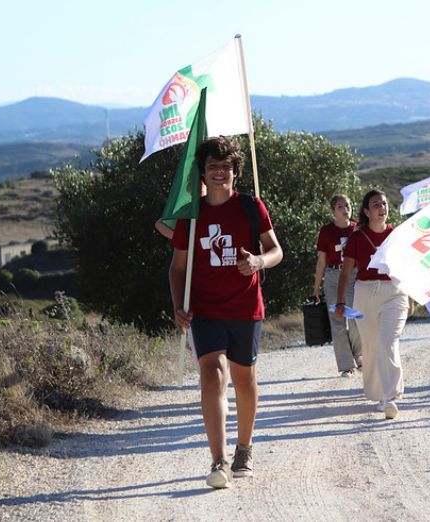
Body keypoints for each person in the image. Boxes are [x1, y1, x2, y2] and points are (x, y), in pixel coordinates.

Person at [169, 136, 283, 489]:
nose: (220, 172)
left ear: (236, 171)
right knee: (212, 375)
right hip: (204, 310)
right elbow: (177, 268)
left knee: (244, 380)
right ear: (202, 173)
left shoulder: (251, 206)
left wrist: (258, 261)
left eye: (226, 167)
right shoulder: (190, 215)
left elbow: (276, 250)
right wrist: (178, 305)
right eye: (213, 166)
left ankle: (243, 449)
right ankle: (218, 460)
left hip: (246, 307)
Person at [334, 189, 408, 420]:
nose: (381, 208)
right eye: (376, 204)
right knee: (372, 345)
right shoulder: (357, 238)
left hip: (394, 293)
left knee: (388, 342)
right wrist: (340, 301)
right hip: (365, 293)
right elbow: (346, 272)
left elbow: (408, 267)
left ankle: (390, 396)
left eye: (384, 203)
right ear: (367, 211)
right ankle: (380, 394)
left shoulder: (396, 235)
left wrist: (412, 296)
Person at [312, 194, 363, 377]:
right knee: (337, 322)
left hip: (354, 275)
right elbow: (321, 261)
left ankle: (360, 356)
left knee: (356, 317)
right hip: (333, 277)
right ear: (333, 210)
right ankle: (346, 365)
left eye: (347, 205)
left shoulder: (358, 229)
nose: (345, 209)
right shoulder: (326, 231)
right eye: (340, 206)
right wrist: (316, 287)